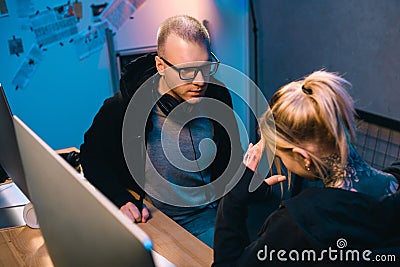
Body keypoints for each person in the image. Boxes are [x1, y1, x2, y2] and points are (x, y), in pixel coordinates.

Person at [80, 15, 242, 247]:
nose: (199, 81)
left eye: (205, 68)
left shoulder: (218, 95)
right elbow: (92, 157)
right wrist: (120, 198)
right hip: (154, 221)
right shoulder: (123, 108)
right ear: (161, 66)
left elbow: (229, 160)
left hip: (209, 218)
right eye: (187, 71)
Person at [213, 70, 400, 266]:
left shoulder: (298, 223)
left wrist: (235, 197)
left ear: (304, 158)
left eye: (281, 156)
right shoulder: (393, 188)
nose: (284, 164)